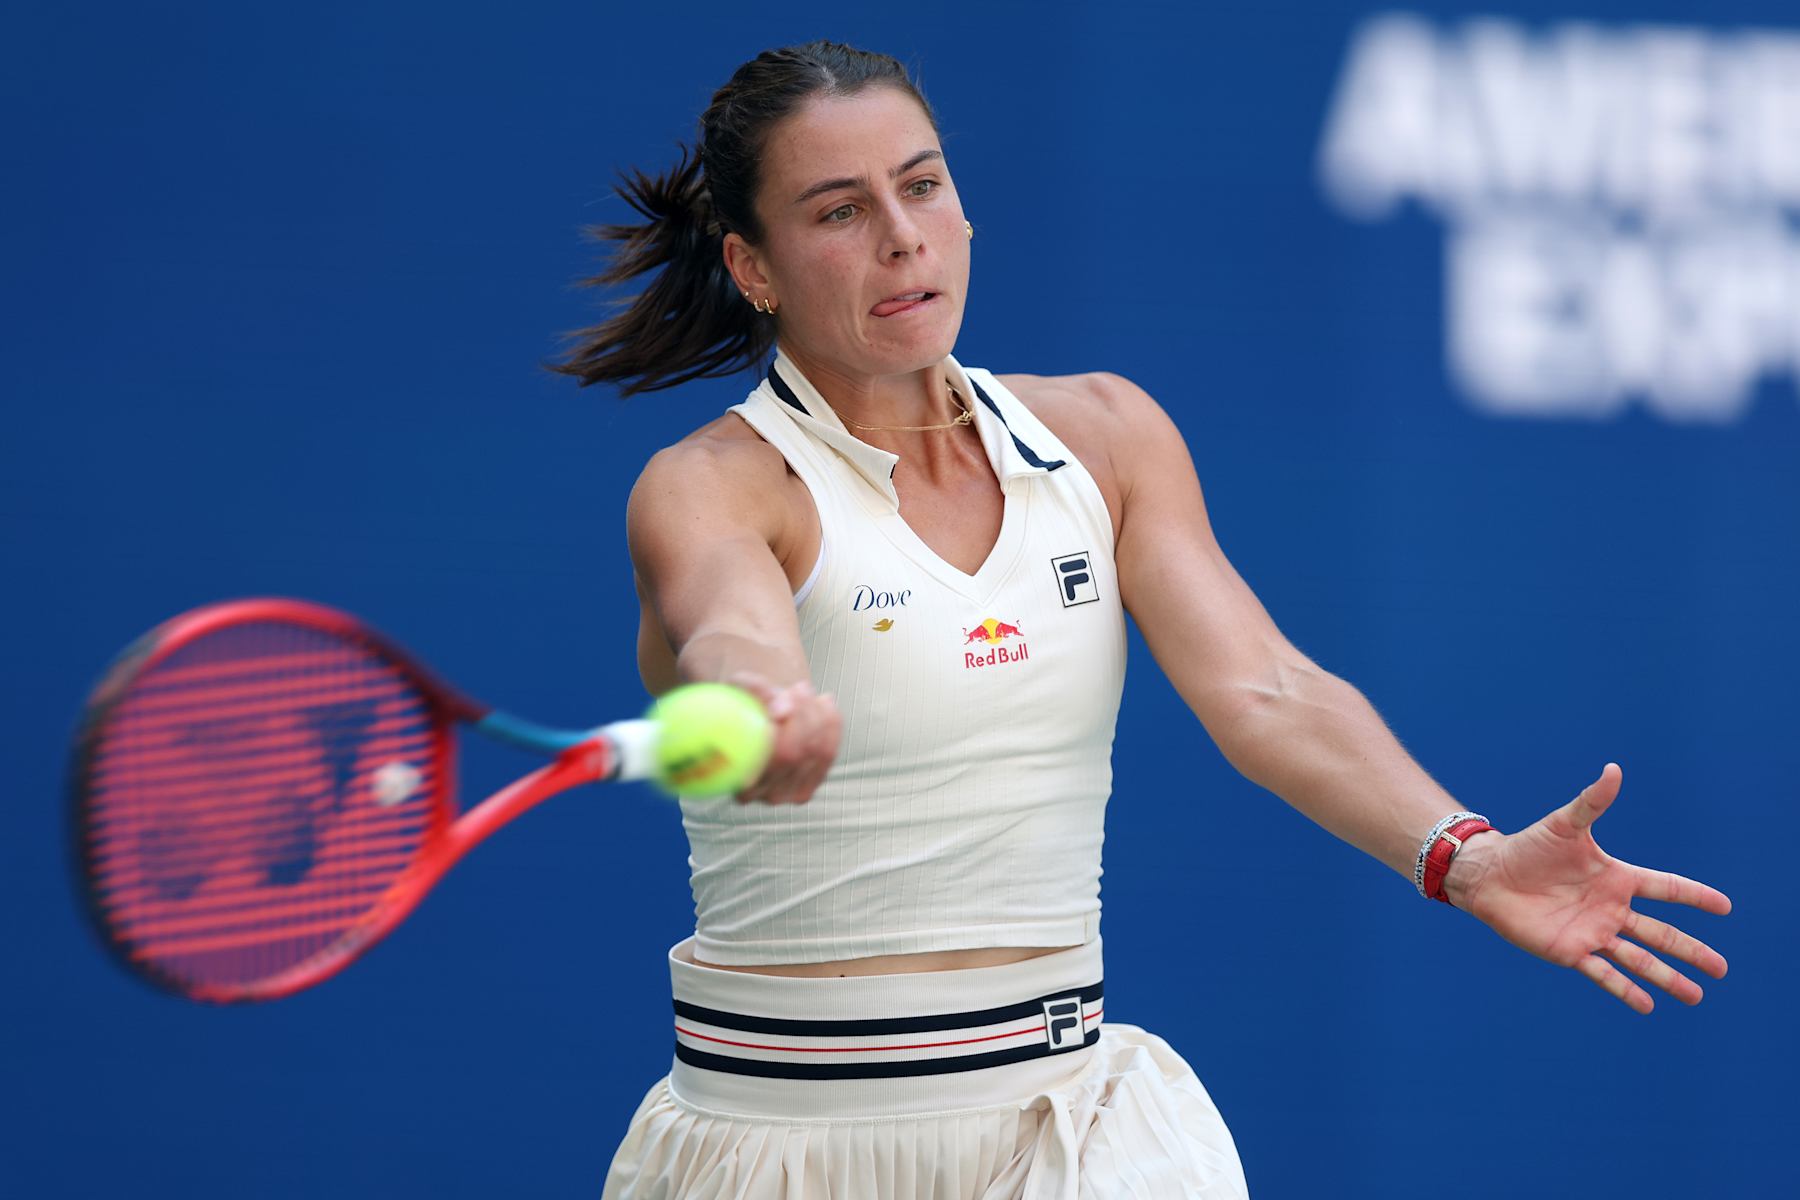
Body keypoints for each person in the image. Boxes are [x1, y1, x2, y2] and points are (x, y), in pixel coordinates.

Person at [551, 41, 1732, 1199]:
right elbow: (728, 628)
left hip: (1073, 1142)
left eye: (922, 185)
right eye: (840, 211)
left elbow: (1266, 688)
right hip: (782, 1149)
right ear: (753, 267)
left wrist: (1465, 857)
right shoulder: (712, 485)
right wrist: (765, 697)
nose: (903, 236)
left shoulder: (1106, 437)